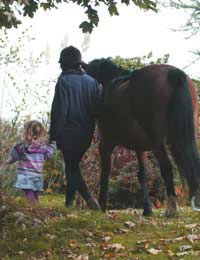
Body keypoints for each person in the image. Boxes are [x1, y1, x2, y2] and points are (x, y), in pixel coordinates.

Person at [49, 45, 101, 209]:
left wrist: (54, 135)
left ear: (64, 64)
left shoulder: (63, 81)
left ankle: (90, 199)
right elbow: (95, 110)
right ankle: (69, 203)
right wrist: (95, 131)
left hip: (68, 132)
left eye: (61, 63)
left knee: (71, 168)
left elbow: (60, 111)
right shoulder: (92, 81)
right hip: (86, 133)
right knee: (73, 165)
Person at [6, 120, 55, 206]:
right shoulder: (42, 147)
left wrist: (7, 162)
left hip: (25, 175)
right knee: (35, 194)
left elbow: (14, 157)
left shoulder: (21, 146)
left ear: (26, 132)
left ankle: (35, 209)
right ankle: (37, 210)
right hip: (37, 175)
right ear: (41, 134)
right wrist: (52, 144)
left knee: (29, 194)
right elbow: (48, 155)